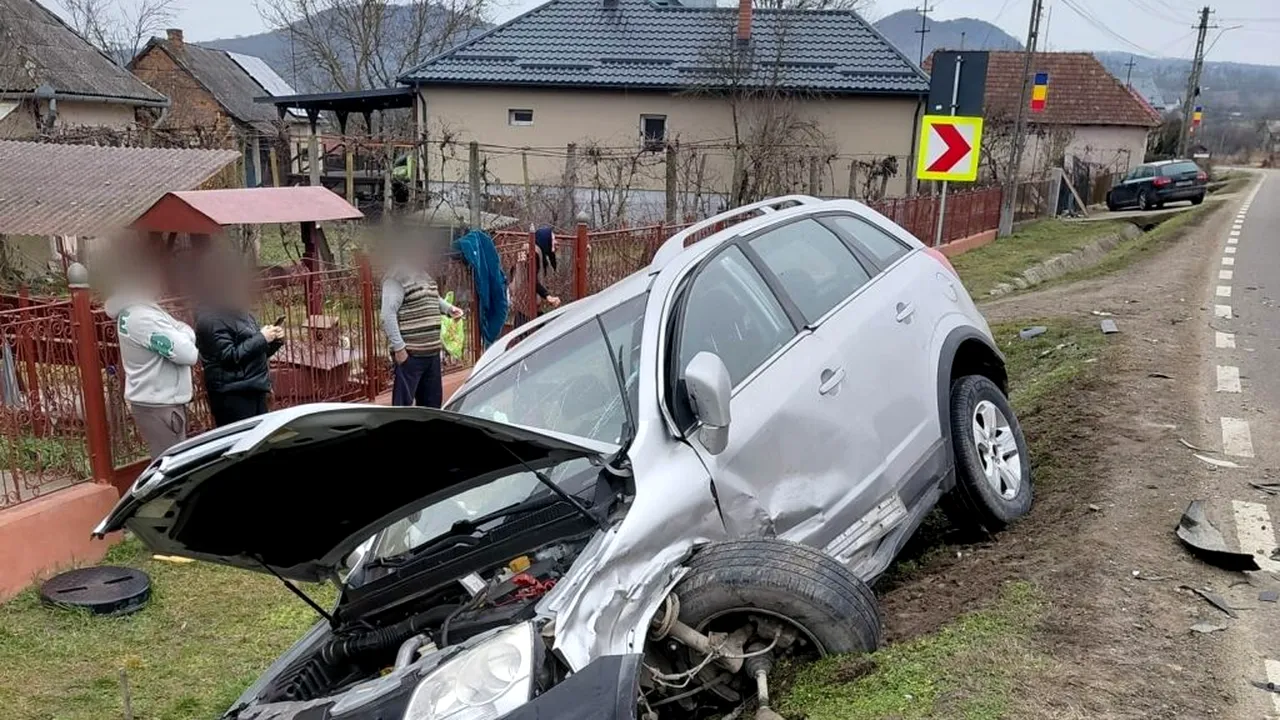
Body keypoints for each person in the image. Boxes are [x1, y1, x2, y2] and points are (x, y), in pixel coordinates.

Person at [103, 250, 200, 459]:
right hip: (160, 405)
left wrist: (182, 333)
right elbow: (188, 353)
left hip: (157, 402)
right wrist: (184, 334)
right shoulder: (142, 317)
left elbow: (182, 331)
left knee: (169, 464)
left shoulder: (142, 311)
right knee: (171, 468)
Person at [194, 257, 285, 426]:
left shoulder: (242, 312)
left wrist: (272, 340)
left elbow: (254, 352)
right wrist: (261, 338)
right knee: (240, 445)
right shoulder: (210, 319)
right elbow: (229, 357)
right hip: (233, 395)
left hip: (255, 388)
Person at [381, 251, 464, 408]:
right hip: (411, 355)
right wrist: (399, 348)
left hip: (432, 354)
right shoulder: (396, 278)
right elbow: (387, 314)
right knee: (403, 409)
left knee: (431, 405)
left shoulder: (422, 274)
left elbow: (432, 297)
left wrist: (449, 309)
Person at [533, 226, 562, 309]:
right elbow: (531, 280)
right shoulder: (534, 254)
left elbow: (554, 263)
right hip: (528, 303)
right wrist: (547, 296)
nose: (555, 242)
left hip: (533, 301)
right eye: (552, 240)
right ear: (545, 240)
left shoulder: (540, 252)